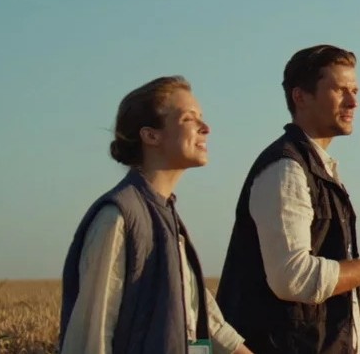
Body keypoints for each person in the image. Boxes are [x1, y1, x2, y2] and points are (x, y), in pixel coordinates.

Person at [216, 45, 360, 353]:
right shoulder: (285, 169)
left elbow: (328, 290)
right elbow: (294, 279)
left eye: (355, 90)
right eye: (340, 90)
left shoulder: (316, 167)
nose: (353, 101)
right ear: (300, 97)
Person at [59, 76, 251, 354]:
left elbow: (201, 320)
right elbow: (91, 338)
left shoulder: (167, 216)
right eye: (189, 119)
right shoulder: (118, 217)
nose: (206, 128)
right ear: (151, 135)